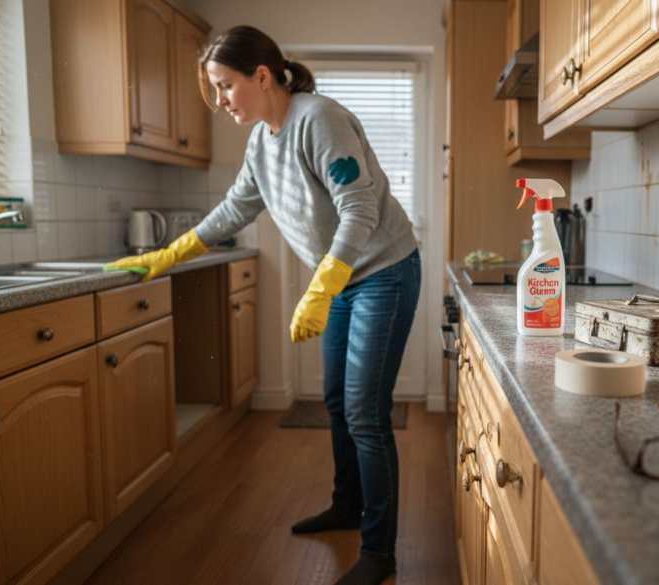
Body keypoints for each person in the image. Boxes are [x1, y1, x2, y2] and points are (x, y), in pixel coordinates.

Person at [106, 25, 421, 585]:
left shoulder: (317, 119)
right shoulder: (261, 142)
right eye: (215, 90)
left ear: (262, 75)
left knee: (366, 413)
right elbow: (233, 210)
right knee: (335, 400)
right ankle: (347, 506)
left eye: (225, 87)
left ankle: (379, 552)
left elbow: (360, 209)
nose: (221, 101)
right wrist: (168, 254)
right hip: (344, 279)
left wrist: (323, 285)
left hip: (384, 272)